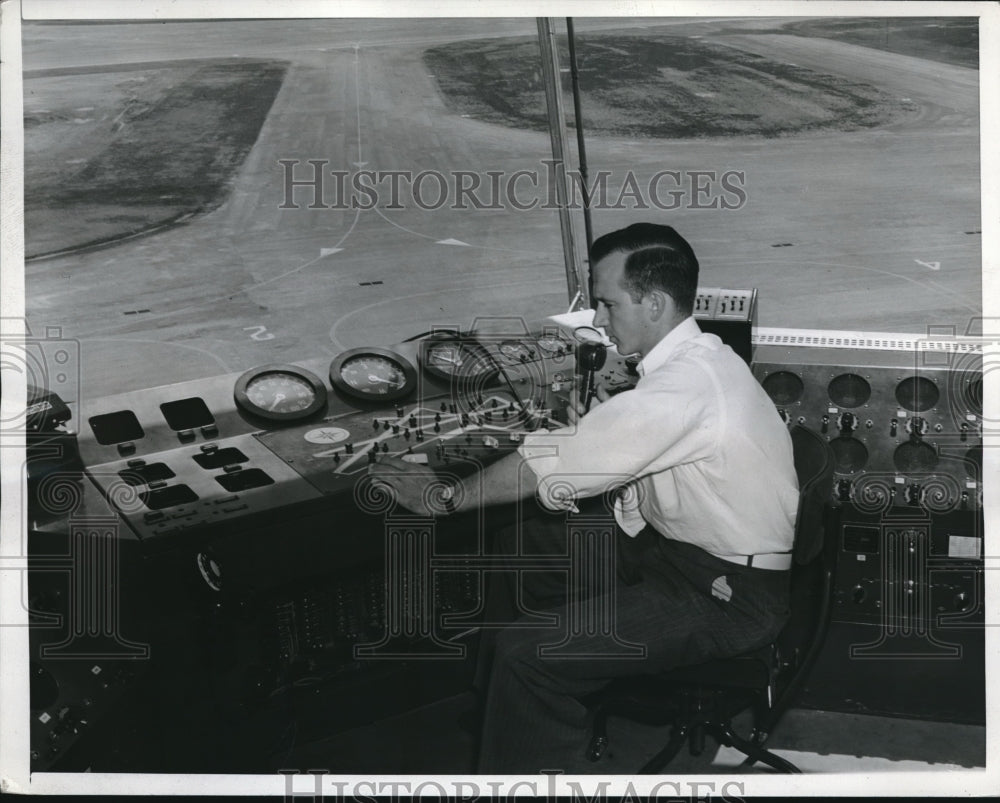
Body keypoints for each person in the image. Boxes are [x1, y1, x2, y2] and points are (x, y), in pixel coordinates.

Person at [369, 223, 798, 773]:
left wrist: (444, 497)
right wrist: (595, 439)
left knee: (529, 658)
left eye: (608, 303)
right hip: (680, 558)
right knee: (526, 533)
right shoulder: (699, 361)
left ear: (655, 304)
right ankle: (498, 714)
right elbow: (611, 458)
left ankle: (524, 734)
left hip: (726, 598)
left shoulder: (685, 386)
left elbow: (564, 461)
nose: (598, 319)